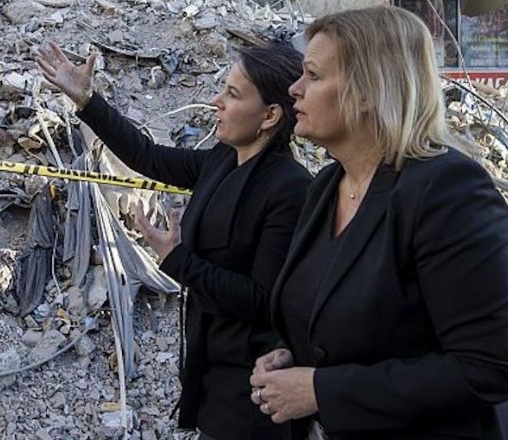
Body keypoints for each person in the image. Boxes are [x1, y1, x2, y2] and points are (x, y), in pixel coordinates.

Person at [248, 7, 508, 439]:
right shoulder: (326, 187)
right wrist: (290, 356)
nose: (294, 90)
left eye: (314, 76)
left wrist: (322, 389)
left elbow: (488, 369)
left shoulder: (448, 191)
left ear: (367, 92)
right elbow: (336, 317)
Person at [35, 41, 311, 439]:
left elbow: (263, 301)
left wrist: (177, 258)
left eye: (233, 94)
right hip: (211, 369)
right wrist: (87, 101)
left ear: (270, 115)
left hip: (255, 386)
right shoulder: (222, 159)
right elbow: (147, 156)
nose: (216, 101)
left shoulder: (291, 189)